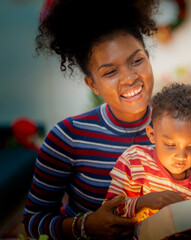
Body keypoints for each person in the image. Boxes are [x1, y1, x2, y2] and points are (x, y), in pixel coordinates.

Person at [22, 0, 159, 239]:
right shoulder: (67, 137)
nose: (129, 78)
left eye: (136, 60)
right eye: (110, 72)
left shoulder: (179, 126)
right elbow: (33, 221)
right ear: (92, 84)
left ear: (147, 57)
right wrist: (85, 225)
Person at [104, 83, 191, 224]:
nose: (181, 156)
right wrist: (142, 202)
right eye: (170, 145)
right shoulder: (135, 161)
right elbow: (108, 212)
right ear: (152, 134)